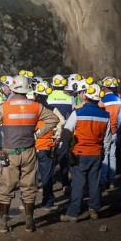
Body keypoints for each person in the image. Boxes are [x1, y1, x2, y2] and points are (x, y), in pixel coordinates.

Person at [0, 75, 59, 233]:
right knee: (29, 187)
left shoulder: (5, 106)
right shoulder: (35, 106)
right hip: (29, 151)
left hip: (10, 152)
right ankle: (29, 223)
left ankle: (3, 224)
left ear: (12, 88)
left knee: (6, 188)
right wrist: (38, 133)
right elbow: (53, 119)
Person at [60, 84, 111, 223]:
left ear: (85, 96)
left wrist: (63, 148)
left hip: (80, 154)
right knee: (94, 184)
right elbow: (107, 139)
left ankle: (73, 214)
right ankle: (94, 210)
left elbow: (67, 131)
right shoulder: (106, 115)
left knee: (78, 184)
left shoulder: (78, 112)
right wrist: (104, 153)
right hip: (96, 154)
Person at [33, 82, 66, 211]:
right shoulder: (52, 110)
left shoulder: (30, 109)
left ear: (35, 95)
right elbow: (61, 122)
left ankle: (24, 202)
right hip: (46, 146)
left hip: (31, 147)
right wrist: (57, 135)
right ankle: (47, 202)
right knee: (46, 177)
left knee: (28, 176)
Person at [99, 77, 121, 191]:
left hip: (105, 132)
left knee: (104, 156)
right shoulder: (118, 99)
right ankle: (112, 180)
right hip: (114, 131)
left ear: (104, 87)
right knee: (112, 156)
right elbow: (120, 118)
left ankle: (103, 181)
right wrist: (115, 129)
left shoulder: (102, 100)